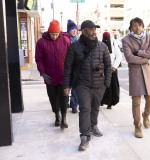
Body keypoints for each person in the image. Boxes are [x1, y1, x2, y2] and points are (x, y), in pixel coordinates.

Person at [64, 20, 112, 151]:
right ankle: (84, 136)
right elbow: (68, 68)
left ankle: (94, 125)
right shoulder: (74, 47)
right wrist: (66, 86)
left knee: (95, 107)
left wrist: (106, 83)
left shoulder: (102, 46)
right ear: (84, 31)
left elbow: (108, 65)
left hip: (99, 84)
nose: (94, 31)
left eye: (94, 29)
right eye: (91, 29)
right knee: (85, 109)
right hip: (82, 84)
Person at [122, 17, 150, 138]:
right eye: (135, 25)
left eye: (140, 25)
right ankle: (137, 126)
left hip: (147, 72)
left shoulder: (148, 36)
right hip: (135, 73)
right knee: (136, 102)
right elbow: (129, 58)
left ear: (143, 26)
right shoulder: (126, 40)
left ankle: (146, 115)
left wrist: (141, 53)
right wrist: (146, 59)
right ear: (131, 27)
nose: (138, 28)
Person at [35, 20, 71, 129]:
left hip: (63, 76)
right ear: (48, 32)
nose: (54, 36)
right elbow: (39, 59)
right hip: (49, 77)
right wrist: (42, 73)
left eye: (56, 34)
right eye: (52, 34)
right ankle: (57, 116)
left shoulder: (66, 40)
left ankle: (64, 118)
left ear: (59, 32)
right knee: (53, 98)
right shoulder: (41, 43)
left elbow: (70, 58)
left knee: (64, 97)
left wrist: (69, 73)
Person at [101, 31, 122, 109]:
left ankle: (110, 103)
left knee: (112, 87)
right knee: (103, 87)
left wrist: (114, 67)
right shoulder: (100, 44)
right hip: (102, 70)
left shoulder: (113, 44)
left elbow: (119, 56)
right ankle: (102, 101)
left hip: (112, 70)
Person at [67, 19, 79, 114]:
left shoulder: (79, 40)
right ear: (68, 30)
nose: (74, 31)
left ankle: (74, 105)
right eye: (72, 29)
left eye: (75, 29)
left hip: (76, 67)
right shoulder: (65, 40)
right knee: (66, 86)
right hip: (66, 66)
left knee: (75, 87)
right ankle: (65, 102)